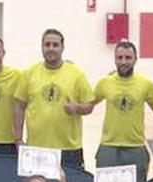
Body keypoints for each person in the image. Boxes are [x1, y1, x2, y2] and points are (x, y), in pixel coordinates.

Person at [14, 29, 94, 170]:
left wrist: (77, 108)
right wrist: (19, 139)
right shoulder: (29, 73)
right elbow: (19, 106)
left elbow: (89, 106)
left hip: (69, 149)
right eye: (47, 44)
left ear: (62, 47)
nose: (51, 48)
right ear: (42, 47)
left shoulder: (76, 74)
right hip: (36, 148)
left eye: (55, 45)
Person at [90, 41, 153, 181]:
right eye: (120, 57)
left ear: (135, 59)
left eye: (128, 58)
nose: (123, 62)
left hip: (136, 148)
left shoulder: (146, 84)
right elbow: (88, 105)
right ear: (115, 59)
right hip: (108, 147)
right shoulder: (105, 82)